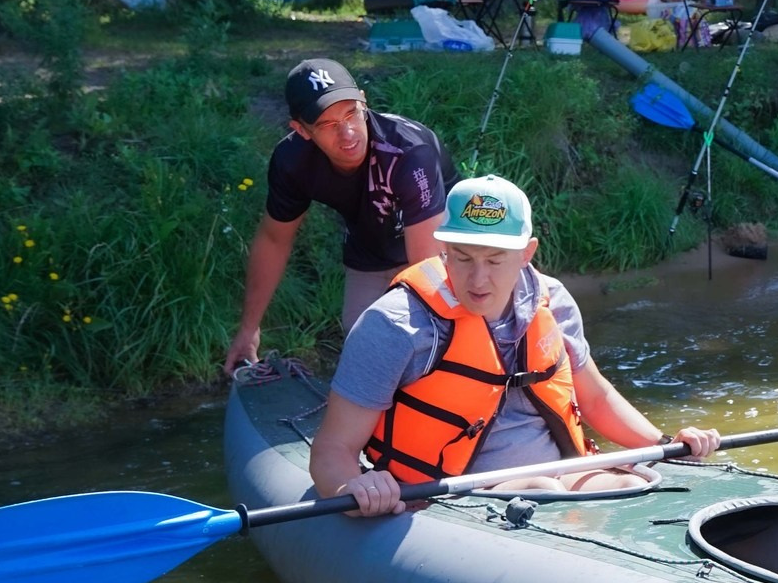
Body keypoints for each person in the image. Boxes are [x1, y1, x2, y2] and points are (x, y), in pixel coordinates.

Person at [305, 176, 722, 514]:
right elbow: (333, 450)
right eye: (463, 258)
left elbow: (594, 399)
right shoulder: (394, 325)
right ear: (443, 250)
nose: (479, 280)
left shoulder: (552, 301)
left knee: (630, 484)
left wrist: (666, 444)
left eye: (495, 260)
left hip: (559, 476)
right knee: (540, 489)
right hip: (451, 497)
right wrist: (355, 491)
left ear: (526, 253)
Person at [225, 60, 456, 373]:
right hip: (369, 247)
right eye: (327, 124)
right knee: (363, 354)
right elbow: (273, 239)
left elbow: (426, 270)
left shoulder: (408, 152)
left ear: (364, 100)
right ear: (301, 130)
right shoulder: (292, 162)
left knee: (430, 346)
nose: (348, 134)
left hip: (441, 245)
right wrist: (248, 328)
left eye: (351, 113)